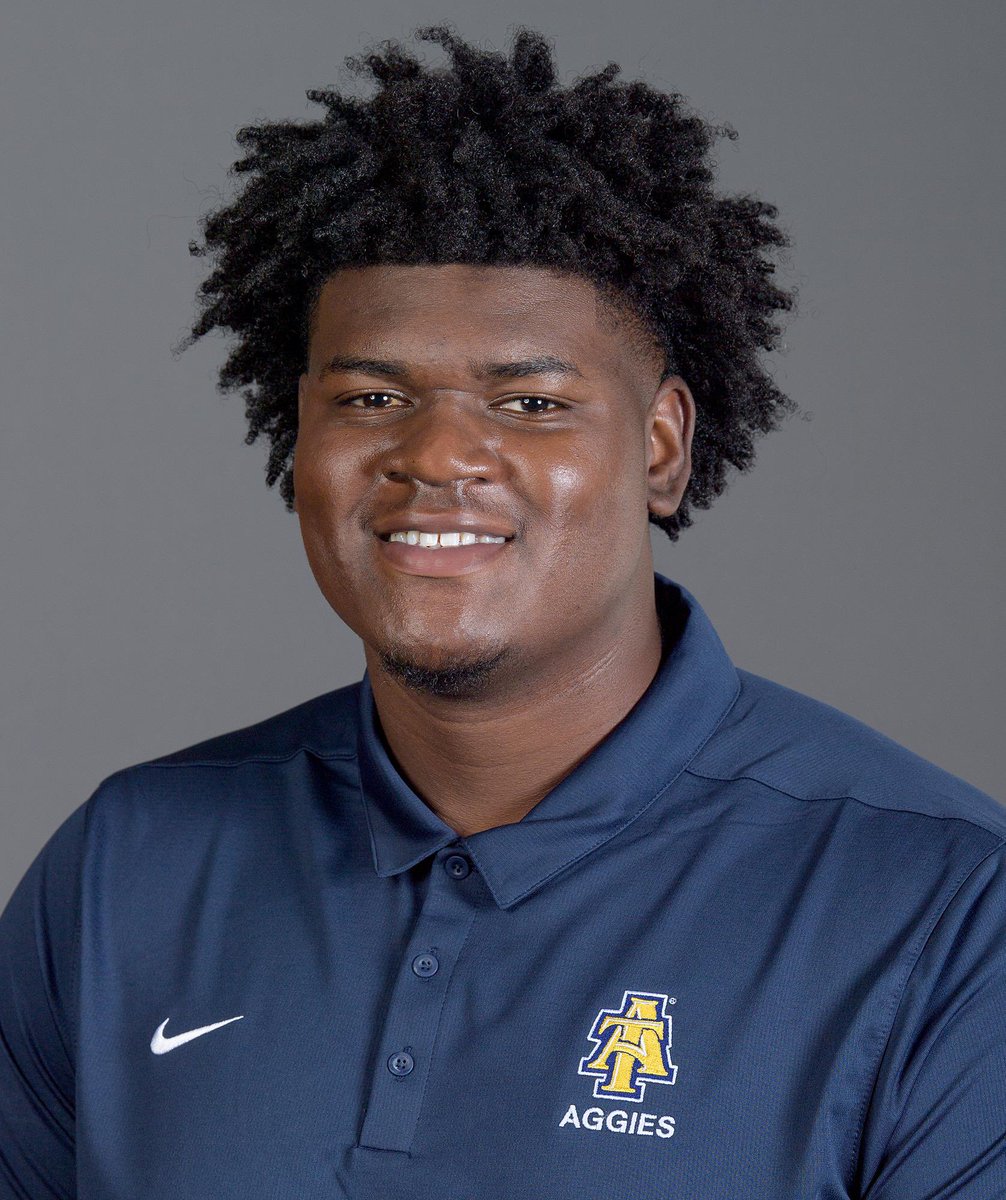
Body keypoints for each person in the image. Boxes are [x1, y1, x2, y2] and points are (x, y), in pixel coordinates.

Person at [1, 24, 1003, 1200]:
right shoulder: (126, 865)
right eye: (371, 398)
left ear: (661, 448)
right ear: (299, 439)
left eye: (529, 403)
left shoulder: (943, 905)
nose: (436, 456)